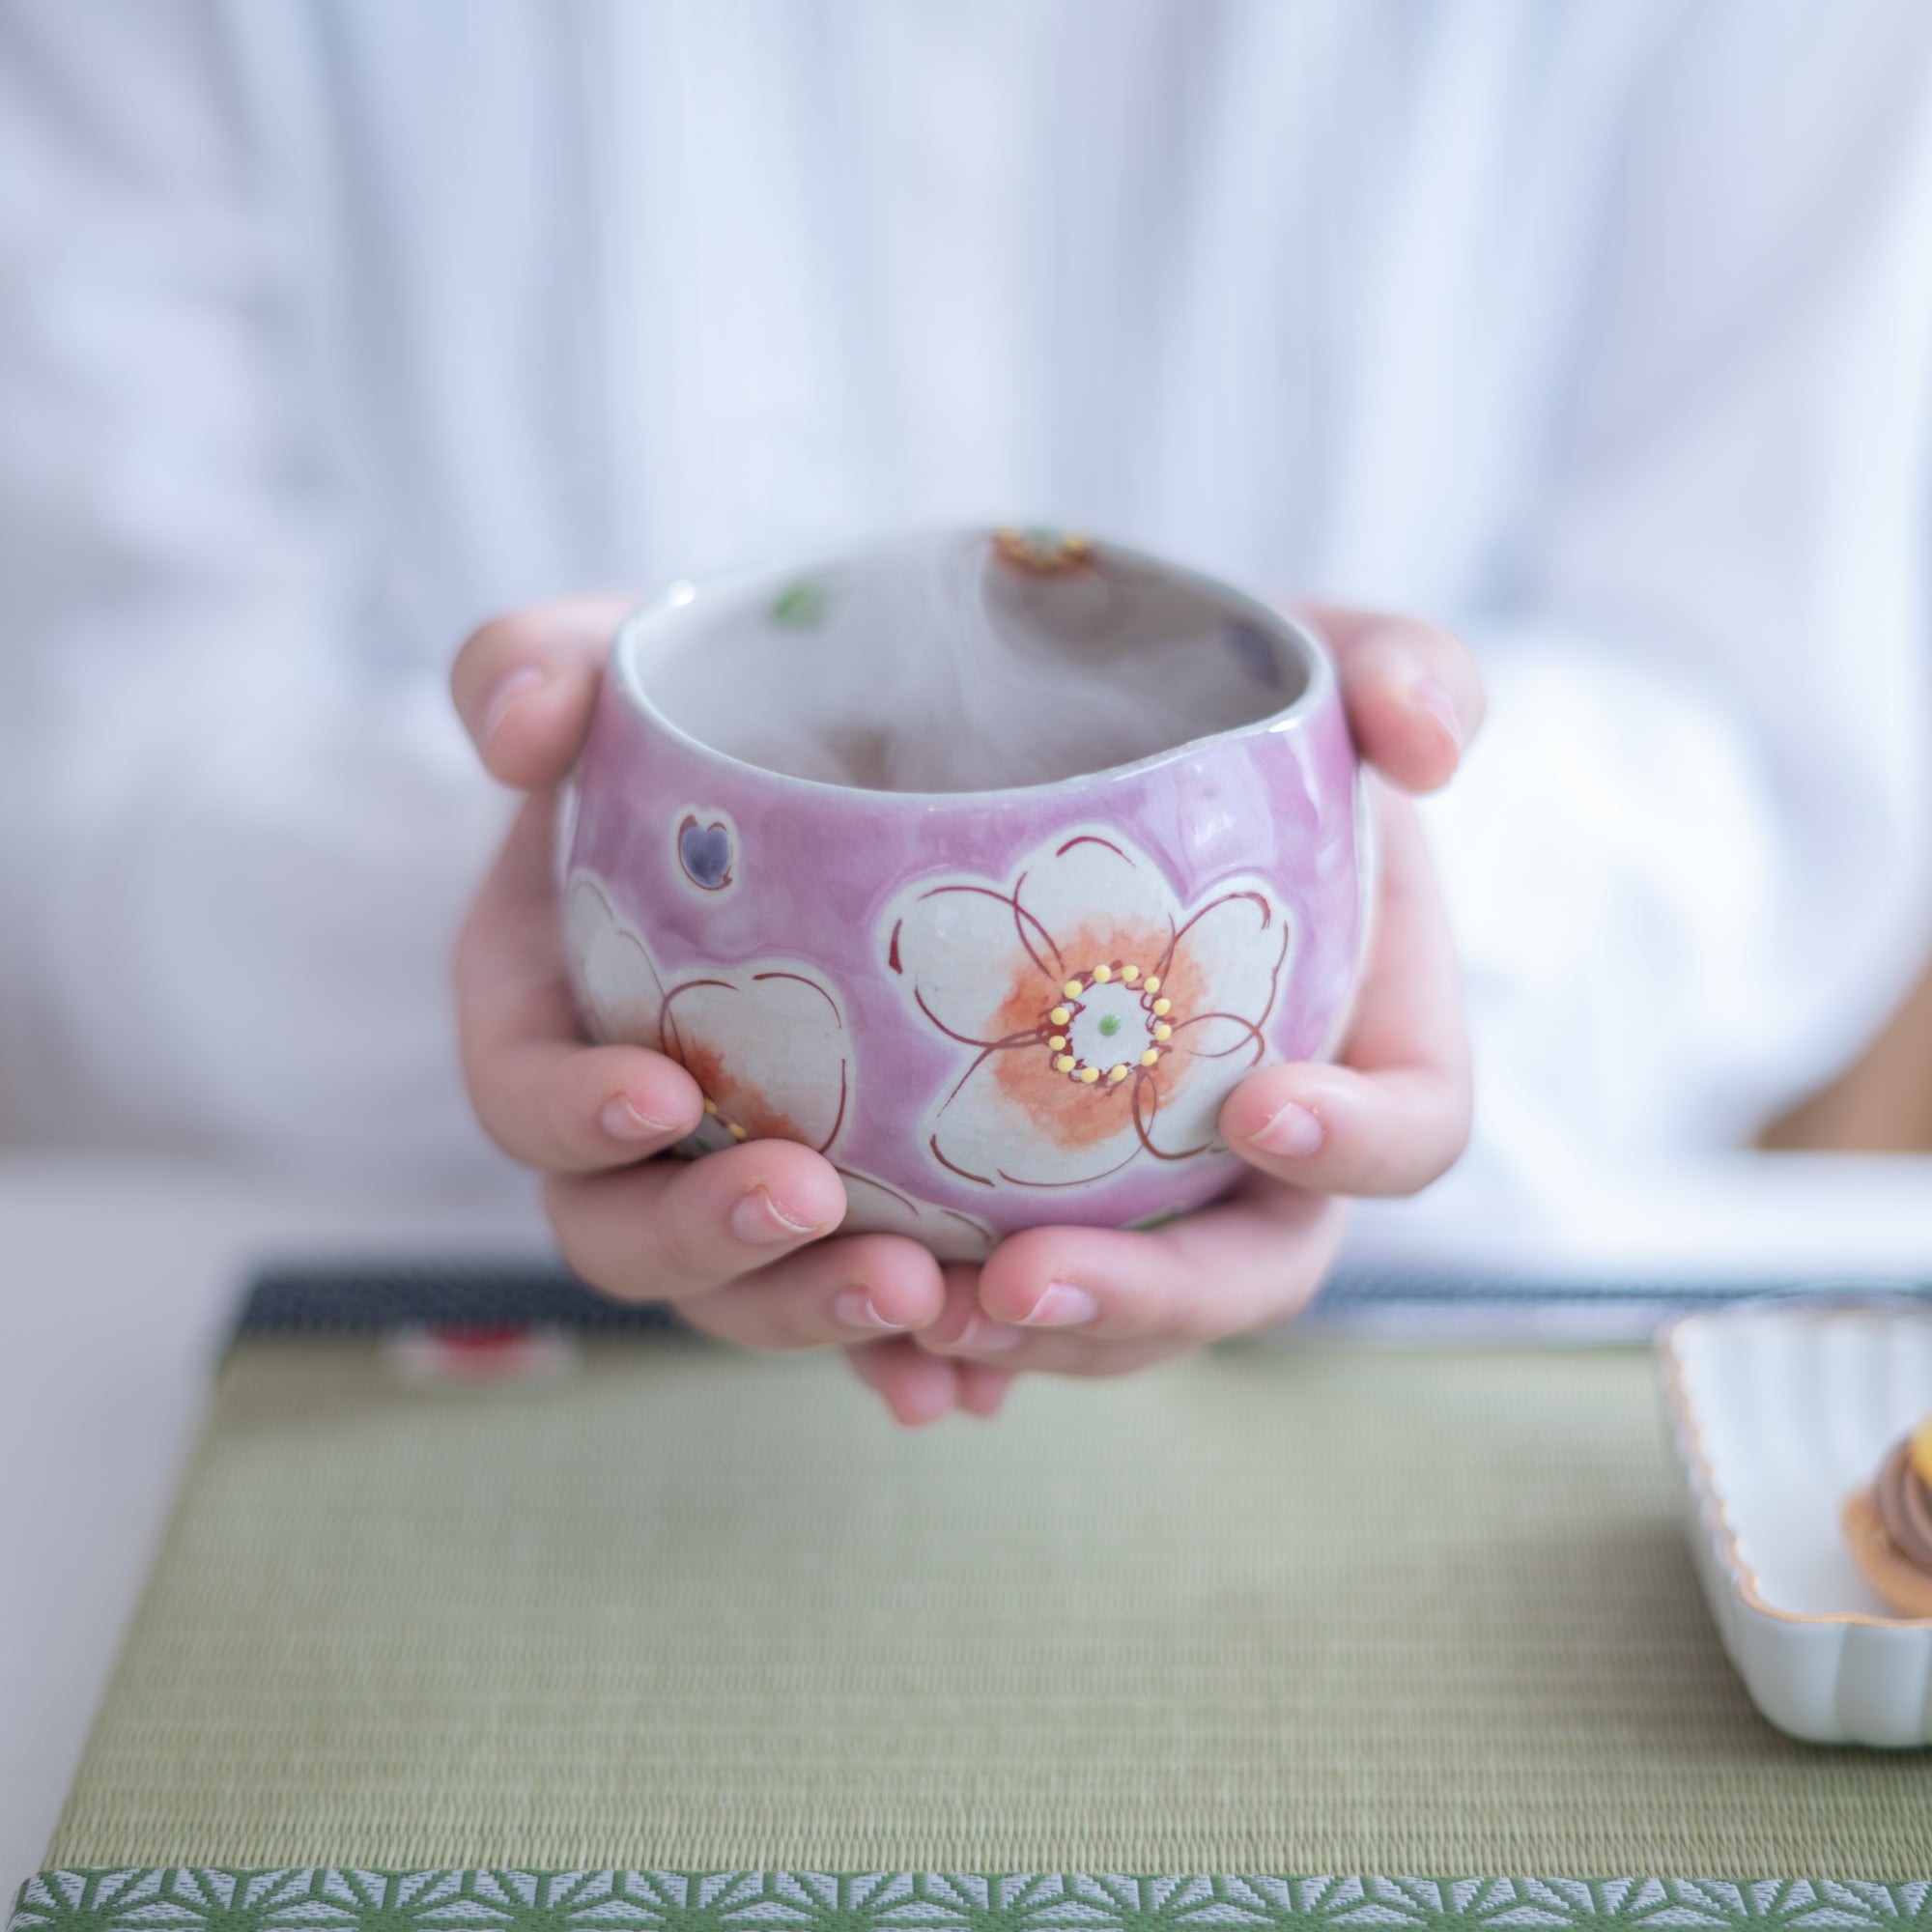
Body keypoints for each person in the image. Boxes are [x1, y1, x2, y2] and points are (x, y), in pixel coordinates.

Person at [2, 4, 1929, 1419]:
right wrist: (528, 876)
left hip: (1454, 1339)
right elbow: (92, 755)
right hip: (347, 1334)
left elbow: (1769, 742)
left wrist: (1387, 876)